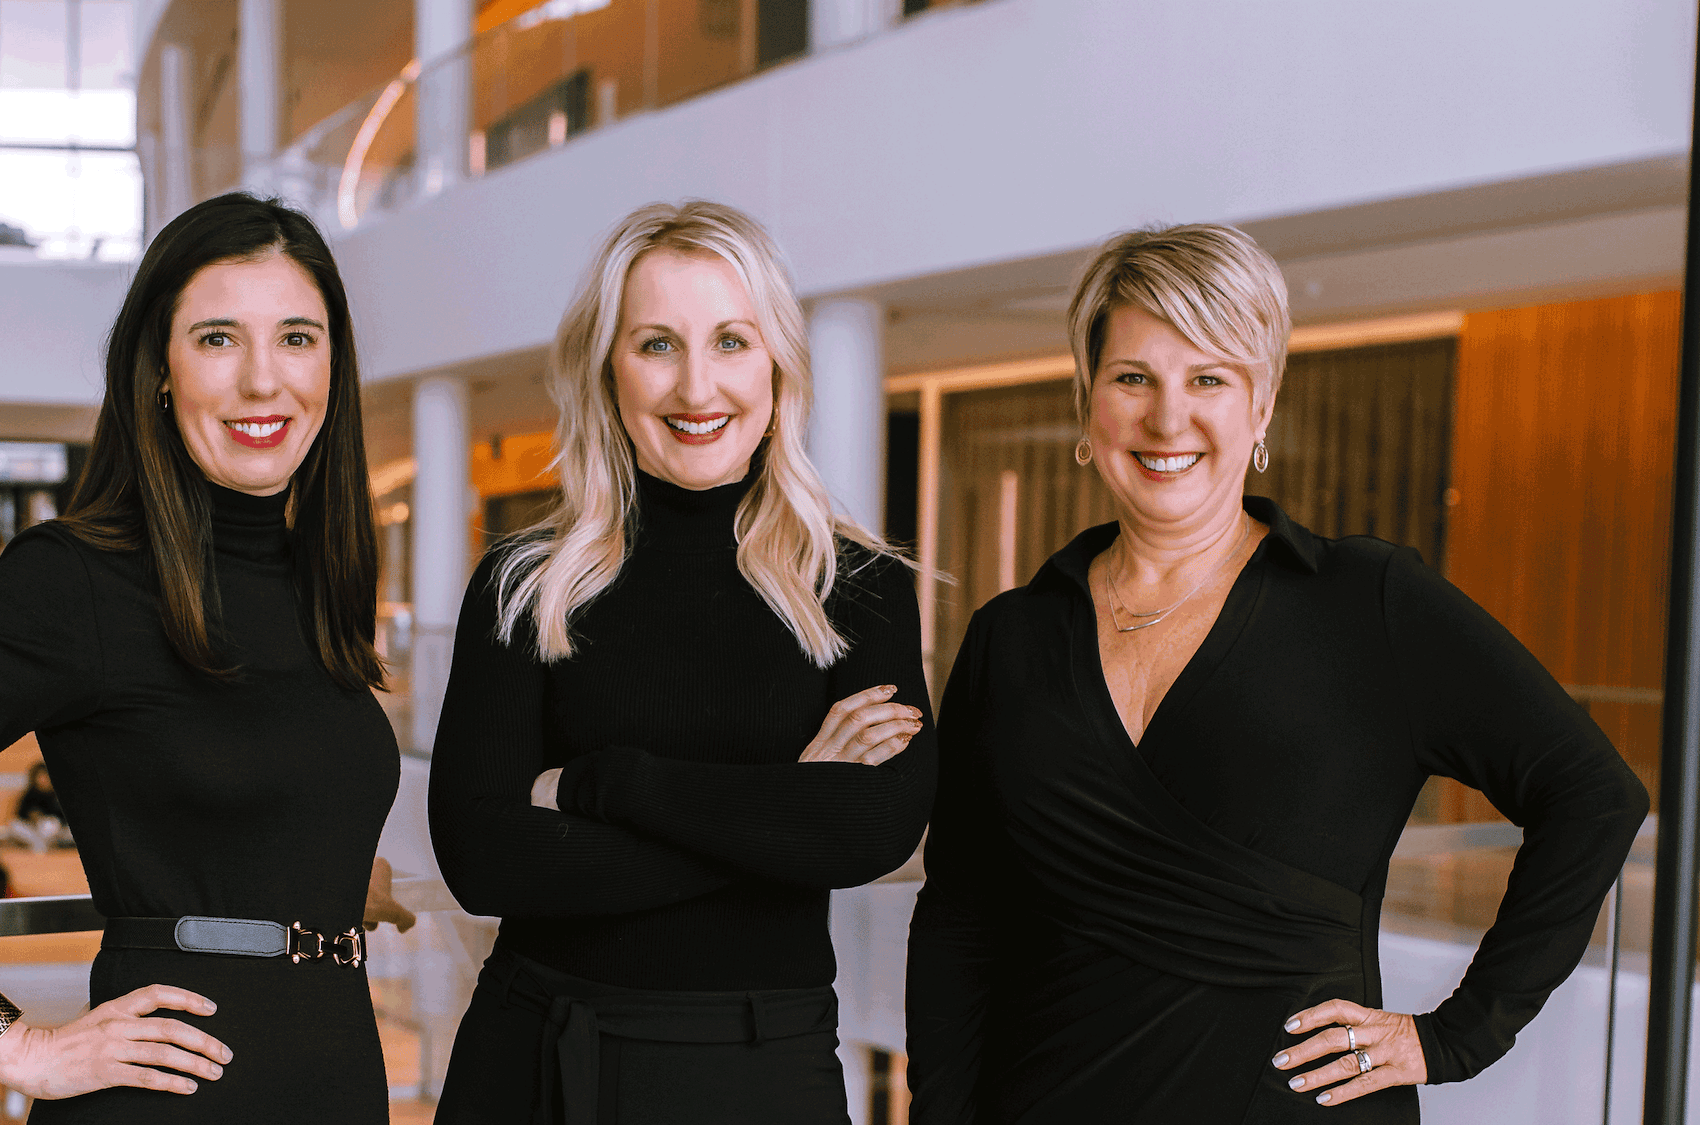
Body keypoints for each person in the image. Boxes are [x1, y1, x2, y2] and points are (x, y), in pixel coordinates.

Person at [904, 224, 1649, 1124]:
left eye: (1209, 379)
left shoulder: (1367, 602)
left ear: (1260, 408)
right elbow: (962, 921)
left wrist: (1456, 1034)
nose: (1167, 418)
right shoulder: (1010, 637)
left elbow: (1592, 793)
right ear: (1085, 398)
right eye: (1133, 376)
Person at [0, 193, 409, 1123]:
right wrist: (10, 1046)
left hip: (338, 1075)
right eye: (219, 339)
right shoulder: (77, 580)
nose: (264, 381)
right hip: (168, 1099)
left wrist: (337, 876)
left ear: (334, 365)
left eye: (298, 338)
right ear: (159, 369)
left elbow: (239, 794)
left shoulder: (321, 576)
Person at [428, 200, 935, 1123]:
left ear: (779, 364)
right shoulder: (524, 583)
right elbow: (484, 859)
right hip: (539, 1054)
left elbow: (871, 830)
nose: (698, 388)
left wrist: (604, 784)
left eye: (733, 341)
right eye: (658, 344)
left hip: (763, 1068)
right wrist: (786, 801)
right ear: (607, 369)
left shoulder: (855, 586)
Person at [0, 762, 71, 852]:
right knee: (14, 825)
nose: (43, 780)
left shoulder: (56, 796)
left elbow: (62, 819)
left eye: (45, 777)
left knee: (50, 825)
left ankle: (40, 845)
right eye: (40, 777)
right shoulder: (29, 795)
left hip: (52, 831)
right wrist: (33, 818)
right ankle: (40, 845)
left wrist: (43, 818)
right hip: (33, 831)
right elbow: (20, 816)